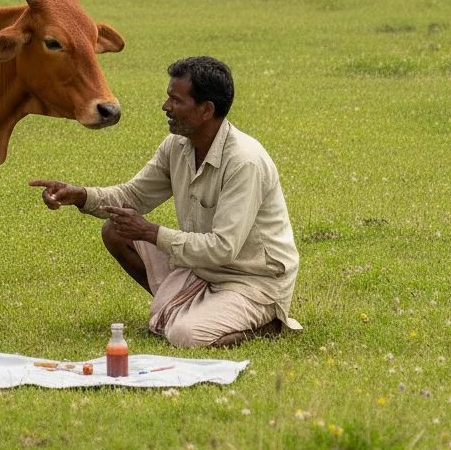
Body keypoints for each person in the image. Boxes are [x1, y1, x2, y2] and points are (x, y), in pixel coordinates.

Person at [30, 56, 302, 348]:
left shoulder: (244, 162)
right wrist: (81, 195)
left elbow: (223, 248)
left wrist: (150, 232)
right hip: (202, 269)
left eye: (176, 100)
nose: (166, 107)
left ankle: (267, 324)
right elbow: (133, 196)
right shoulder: (177, 145)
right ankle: (185, 307)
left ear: (206, 110)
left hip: (252, 280)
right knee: (116, 229)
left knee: (185, 336)